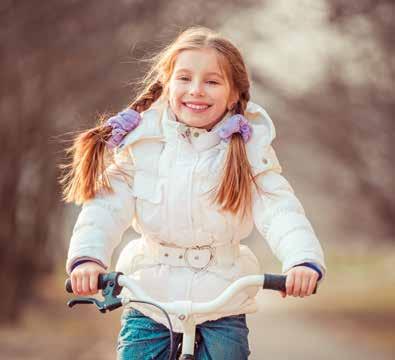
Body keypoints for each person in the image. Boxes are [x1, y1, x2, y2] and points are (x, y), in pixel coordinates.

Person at [61, 26, 327, 359]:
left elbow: (279, 209)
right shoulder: (141, 145)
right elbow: (104, 210)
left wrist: (301, 261)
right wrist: (88, 259)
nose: (196, 91)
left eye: (212, 82)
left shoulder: (248, 152)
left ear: (233, 95)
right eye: (184, 79)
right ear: (166, 85)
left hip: (222, 300)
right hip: (150, 301)